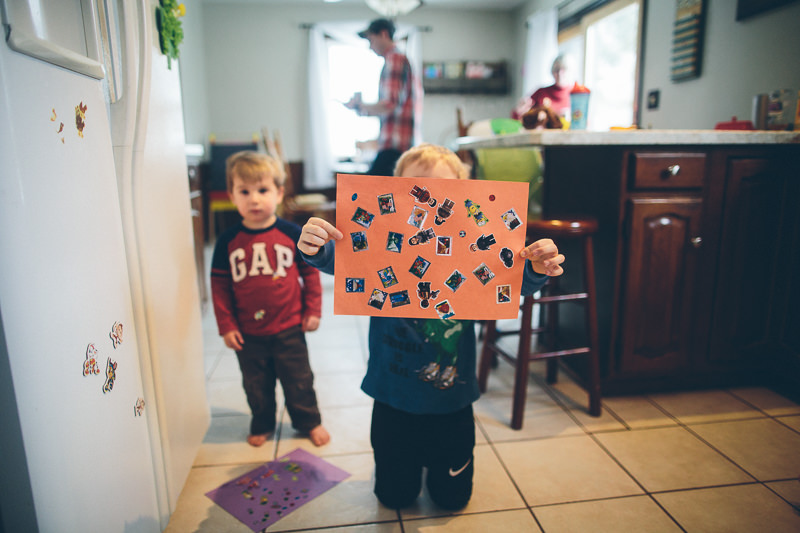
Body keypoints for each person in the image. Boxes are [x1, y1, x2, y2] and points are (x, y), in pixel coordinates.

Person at [297, 144, 564, 510]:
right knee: (393, 497)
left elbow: (511, 283)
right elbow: (343, 261)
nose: (429, 202)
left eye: (443, 191)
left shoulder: (474, 245)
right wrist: (314, 248)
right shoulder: (383, 243)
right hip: (392, 397)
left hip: (452, 401)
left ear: (463, 193)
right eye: (417, 190)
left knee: (453, 500)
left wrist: (535, 268)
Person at [210, 151, 330, 447]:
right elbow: (219, 286)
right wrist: (226, 325)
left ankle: (308, 421)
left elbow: (311, 273)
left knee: (299, 381)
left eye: (262, 191)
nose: (254, 199)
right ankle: (262, 422)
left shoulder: (292, 233)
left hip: (290, 327)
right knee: (256, 385)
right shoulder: (227, 241)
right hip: (248, 333)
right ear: (232, 195)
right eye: (244, 191)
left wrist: (313, 309)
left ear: (278, 193)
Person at [344, 18, 415, 176]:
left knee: (371, 192)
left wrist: (361, 106)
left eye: (371, 39)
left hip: (395, 142)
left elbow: (389, 104)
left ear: (383, 34)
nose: (370, 46)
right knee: (382, 195)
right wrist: (363, 108)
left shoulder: (395, 59)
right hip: (397, 142)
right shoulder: (396, 58)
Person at [511, 54, 574, 122]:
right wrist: (519, 111)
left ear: (570, 71)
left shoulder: (576, 94)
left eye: (564, 69)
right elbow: (518, 117)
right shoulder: (541, 93)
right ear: (552, 72)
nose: (559, 73)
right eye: (556, 69)